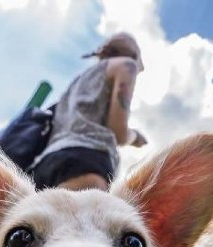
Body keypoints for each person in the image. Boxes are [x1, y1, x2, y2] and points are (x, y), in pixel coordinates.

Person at [32, 32, 148, 191]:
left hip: (45, 165)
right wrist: (135, 137)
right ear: (134, 53)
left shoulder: (79, 81)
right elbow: (119, 133)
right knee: (83, 217)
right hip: (85, 161)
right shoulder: (126, 66)